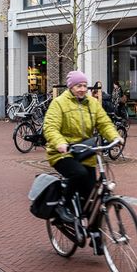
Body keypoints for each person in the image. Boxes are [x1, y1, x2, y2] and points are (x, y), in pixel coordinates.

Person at [43, 70, 122, 223]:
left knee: (92, 197)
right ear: (71, 87)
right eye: (79, 86)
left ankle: (96, 239)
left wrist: (115, 137)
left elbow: (104, 123)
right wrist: (59, 142)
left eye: (85, 86)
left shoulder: (92, 103)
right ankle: (62, 206)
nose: (83, 89)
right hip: (63, 153)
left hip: (85, 151)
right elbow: (50, 127)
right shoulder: (59, 103)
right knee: (79, 173)